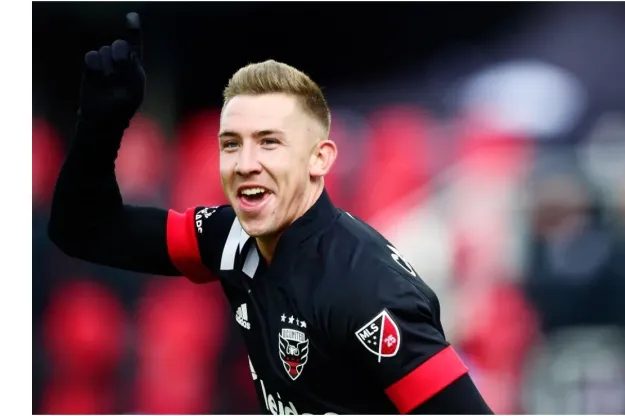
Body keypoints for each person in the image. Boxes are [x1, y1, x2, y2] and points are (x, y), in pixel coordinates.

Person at [48, 12, 494, 415]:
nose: (245, 164)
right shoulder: (229, 239)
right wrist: (100, 127)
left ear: (319, 159)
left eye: (269, 143)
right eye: (231, 144)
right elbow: (84, 231)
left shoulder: (367, 293)